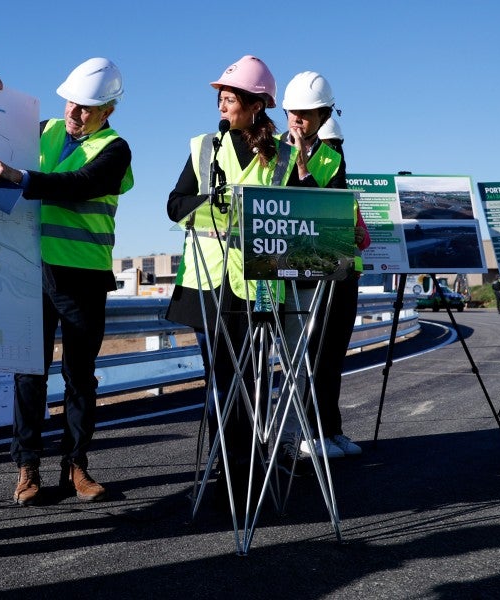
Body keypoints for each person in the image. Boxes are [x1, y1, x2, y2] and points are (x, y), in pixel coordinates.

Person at [0, 57, 133, 506]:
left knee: (80, 377)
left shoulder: (115, 149)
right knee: (29, 373)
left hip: (82, 277)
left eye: (86, 107)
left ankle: (76, 466)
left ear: (107, 111)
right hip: (31, 271)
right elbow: (0, 130)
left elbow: (80, 183)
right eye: (71, 102)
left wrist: (21, 177)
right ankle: (27, 468)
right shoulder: (43, 130)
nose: (74, 112)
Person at [165, 55, 282, 498]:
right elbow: (174, 207)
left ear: (256, 104)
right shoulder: (202, 148)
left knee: (256, 377)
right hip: (208, 283)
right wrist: (212, 203)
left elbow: (295, 211)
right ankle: (225, 470)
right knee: (220, 379)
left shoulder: (284, 154)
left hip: (264, 284)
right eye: (221, 97)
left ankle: (253, 463)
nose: (222, 104)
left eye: (231, 97)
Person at [277, 71, 370, 460]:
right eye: (292, 113)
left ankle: (329, 430)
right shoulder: (273, 149)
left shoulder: (333, 156)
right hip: (295, 270)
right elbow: (287, 206)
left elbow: (330, 209)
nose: (298, 120)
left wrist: (307, 170)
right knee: (304, 357)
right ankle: (300, 434)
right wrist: (298, 166)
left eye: (307, 114)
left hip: (336, 267)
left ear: (323, 115)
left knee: (331, 355)